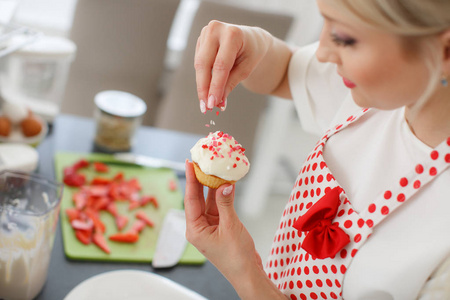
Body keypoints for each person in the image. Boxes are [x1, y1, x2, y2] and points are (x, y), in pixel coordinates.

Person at [184, 0, 450, 299]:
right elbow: (285, 70)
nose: (322, 51)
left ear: (445, 51)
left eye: (344, 37)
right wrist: (253, 41)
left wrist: (244, 272)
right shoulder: (375, 88)